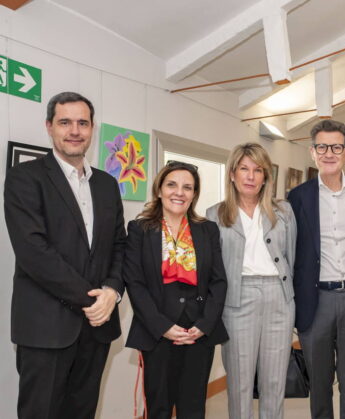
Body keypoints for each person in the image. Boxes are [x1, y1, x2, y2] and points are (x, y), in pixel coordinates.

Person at [4, 91, 126, 418]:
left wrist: (112, 292)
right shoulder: (24, 178)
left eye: (82, 123)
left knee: (83, 412)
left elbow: (119, 245)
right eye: (65, 122)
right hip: (46, 327)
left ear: (92, 128)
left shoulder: (107, 185)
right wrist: (94, 301)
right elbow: (33, 253)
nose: (75, 131)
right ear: (49, 126)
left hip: (97, 328)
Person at [123, 161, 228, 418]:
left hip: (198, 333)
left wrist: (204, 324)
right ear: (159, 189)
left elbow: (218, 281)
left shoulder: (207, 230)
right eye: (171, 185)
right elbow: (135, 283)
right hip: (157, 332)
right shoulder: (139, 229)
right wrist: (162, 327)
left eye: (187, 187)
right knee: (158, 407)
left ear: (194, 194)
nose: (179, 192)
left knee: (193, 408)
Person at [288, 119, 345, 419]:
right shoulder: (298, 197)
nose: (329, 153)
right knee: (320, 386)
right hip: (316, 301)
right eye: (322, 147)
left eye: (336, 147)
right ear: (312, 152)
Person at [207, 143, 297, 419]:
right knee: (239, 383)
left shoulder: (283, 211)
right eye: (244, 169)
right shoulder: (215, 214)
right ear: (232, 174)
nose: (250, 176)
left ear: (265, 176)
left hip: (279, 299)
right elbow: (212, 269)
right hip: (237, 300)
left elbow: (292, 256)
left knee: (274, 382)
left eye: (258, 170)